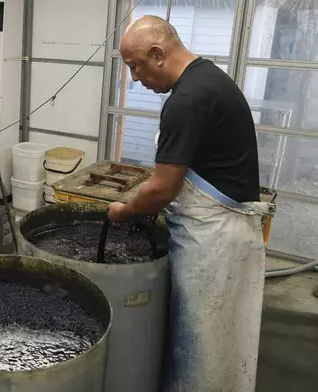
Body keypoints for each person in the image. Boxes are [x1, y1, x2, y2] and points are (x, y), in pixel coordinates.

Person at [107, 15, 274, 392]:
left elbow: (161, 190)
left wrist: (126, 208)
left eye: (135, 66)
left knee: (200, 351)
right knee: (222, 346)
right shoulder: (208, 79)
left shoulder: (187, 100)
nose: (134, 79)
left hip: (214, 242)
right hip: (227, 234)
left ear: (157, 53)